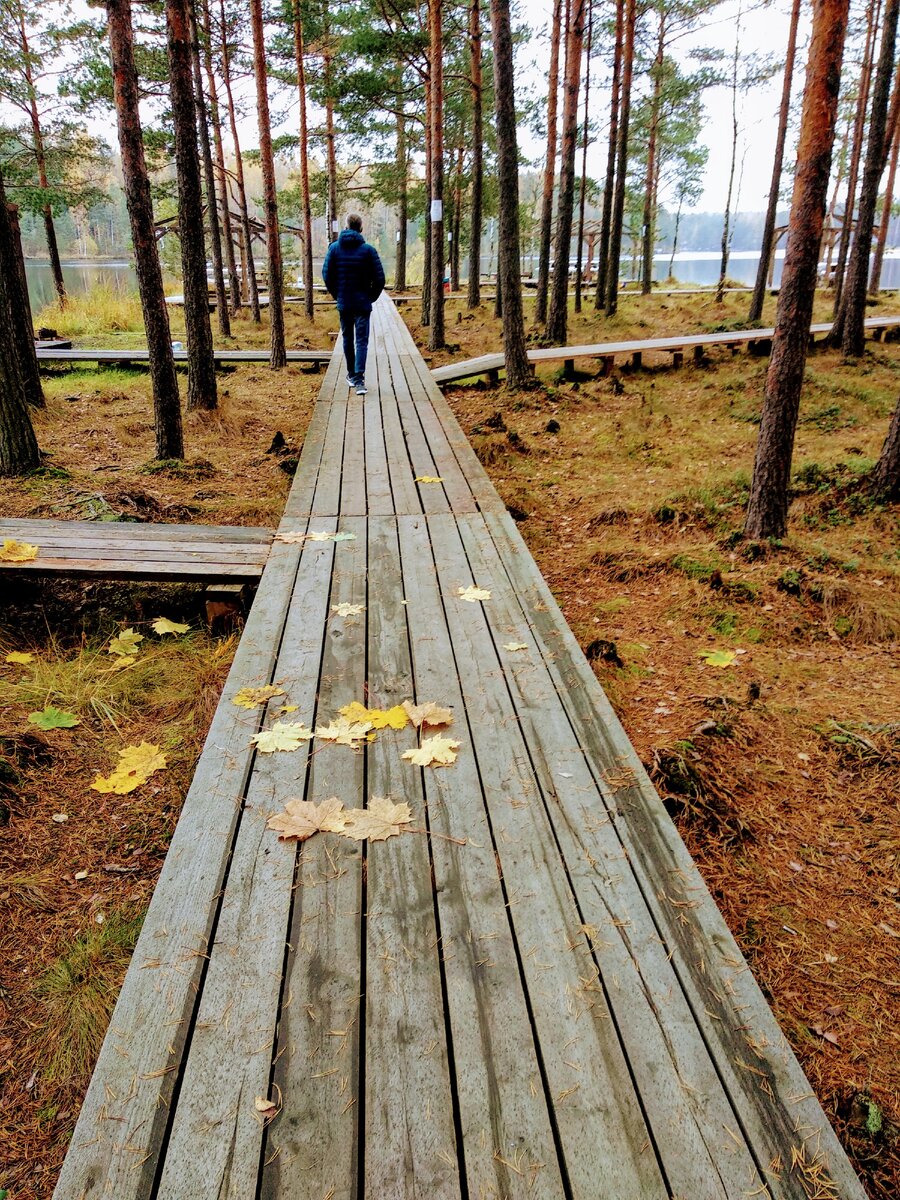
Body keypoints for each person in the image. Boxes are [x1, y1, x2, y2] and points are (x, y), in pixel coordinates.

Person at [322, 214, 386, 395]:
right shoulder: (369, 250)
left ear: (346, 226)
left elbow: (327, 275)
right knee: (362, 341)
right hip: (362, 303)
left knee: (348, 338)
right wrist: (370, 297)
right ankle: (359, 379)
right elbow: (380, 279)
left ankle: (351, 374)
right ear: (361, 228)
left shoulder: (334, 249)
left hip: (345, 303)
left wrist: (338, 294)